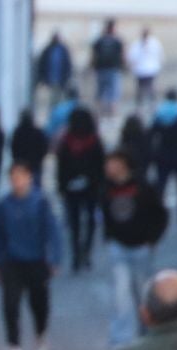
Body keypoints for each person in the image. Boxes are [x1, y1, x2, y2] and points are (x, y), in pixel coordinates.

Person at [0, 162, 65, 350]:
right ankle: (13, 344)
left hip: (36, 260)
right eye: (14, 178)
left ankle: (40, 335)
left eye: (21, 177)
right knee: (10, 304)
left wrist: (54, 258)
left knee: (39, 304)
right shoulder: (4, 204)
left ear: (29, 178)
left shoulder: (40, 202)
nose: (17, 182)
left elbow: (53, 231)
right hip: (12, 261)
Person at [100, 150, 169, 348]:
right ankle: (120, 342)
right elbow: (104, 213)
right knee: (120, 295)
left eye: (112, 163)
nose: (108, 168)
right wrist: (109, 235)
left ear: (123, 164)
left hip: (140, 247)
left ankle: (146, 335)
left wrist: (152, 238)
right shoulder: (107, 188)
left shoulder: (143, 187)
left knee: (142, 294)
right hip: (118, 247)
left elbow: (160, 213)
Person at [55, 107, 106, 272]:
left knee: (75, 222)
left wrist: (61, 186)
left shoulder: (66, 142)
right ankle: (86, 252)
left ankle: (77, 253)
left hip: (71, 188)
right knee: (90, 221)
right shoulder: (95, 141)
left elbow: (60, 167)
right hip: (91, 186)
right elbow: (101, 167)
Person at [148, 90, 177, 223]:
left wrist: (152, 155)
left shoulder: (159, 113)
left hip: (163, 156)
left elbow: (151, 135)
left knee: (161, 186)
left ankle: (157, 213)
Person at [91, 20, 126, 115]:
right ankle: (112, 111)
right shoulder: (117, 40)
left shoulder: (99, 40)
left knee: (100, 91)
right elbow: (122, 55)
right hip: (113, 69)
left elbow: (94, 55)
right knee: (113, 92)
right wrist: (124, 66)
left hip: (101, 69)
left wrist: (93, 67)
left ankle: (99, 111)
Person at [36, 32, 75, 114]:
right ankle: (53, 112)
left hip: (61, 79)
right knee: (53, 98)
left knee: (60, 98)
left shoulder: (63, 50)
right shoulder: (48, 49)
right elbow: (42, 64)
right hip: (51, 79)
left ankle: (58, 112)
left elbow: (68, 64)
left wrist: (67, 77)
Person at [10, 108, 50, 186]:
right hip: (33, 165)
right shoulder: (37, 132)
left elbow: (14, 148)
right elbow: (44, 147)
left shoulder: (18, 132)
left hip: (24, 165)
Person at [129, 26, 165, 108]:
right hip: (140, 70)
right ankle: (139, 105)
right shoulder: (137, 44)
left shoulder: (154, 43)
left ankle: (152, 104)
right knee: (140, 89)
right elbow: (132, 56)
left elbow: (159, 54)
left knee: (151, 88)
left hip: (150, 69)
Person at [117, 113, 152, 181]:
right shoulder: (144, 135)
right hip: (141, 164)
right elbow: (148, 151)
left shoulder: (125, 134)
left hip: (129, 163)